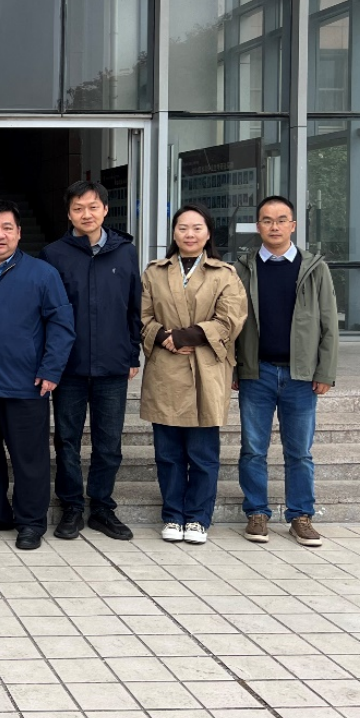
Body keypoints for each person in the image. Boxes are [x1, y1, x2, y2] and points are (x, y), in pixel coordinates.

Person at [0, 200, 75, 551]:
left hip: (25, 384)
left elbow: (62, 325)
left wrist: (51, 369)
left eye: (7, 228)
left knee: (29, 459)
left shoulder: (42, 274)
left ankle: (31, 521)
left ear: (19, 233)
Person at [233, 195, 339, 548]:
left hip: (301, 376)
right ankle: (256, 513)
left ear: (293, 225)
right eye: (267, 220)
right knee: (253, 448)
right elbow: (232, 322)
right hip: (257, 372)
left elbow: (329, 324)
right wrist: (234, 367)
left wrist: (325, 371)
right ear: (258, 226)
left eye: (281, 220)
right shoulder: (243, 268)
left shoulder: (314, 268)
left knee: (300, 452)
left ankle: (300, 517)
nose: (274, 226)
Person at [140, 203, 248, 546]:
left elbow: (231, 319)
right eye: (183, 228)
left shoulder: (224, 274)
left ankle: (199, 518)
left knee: (202, 454)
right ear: (174, 233)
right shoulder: (154, 272)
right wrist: (163, 337)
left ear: (208, 233)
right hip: (166, 369)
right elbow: (141, 316)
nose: (189, 234)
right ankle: (173, 515)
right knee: (168, 452)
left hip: (206, 369)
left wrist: (186, 336)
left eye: (197, 228)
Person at [41, 181, 142, 543]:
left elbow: (135, 306)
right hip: (68, 367)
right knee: (66, 440)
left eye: (93, 207)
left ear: (105, 210)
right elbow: (45, 314)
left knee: (108, 442)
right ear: (69, 214)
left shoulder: (125, 252)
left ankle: (101, 507)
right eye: (78, 208)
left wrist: (133, 352)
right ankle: (70, 506)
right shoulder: (53, 254)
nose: (86, 214)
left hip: (113, 365)